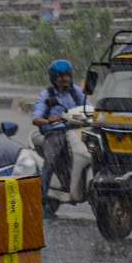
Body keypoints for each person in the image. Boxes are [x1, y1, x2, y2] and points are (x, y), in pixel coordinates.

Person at [33, 59, 83, 203]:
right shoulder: (46, 95)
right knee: (50, 163)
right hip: (55, 133)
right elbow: (36, 119)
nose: (65, 79)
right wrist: (49, 120)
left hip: (76, 131)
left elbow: (89, 109)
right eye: (60, 76)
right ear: (54, 78)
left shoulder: (77, 92)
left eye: (67, 75)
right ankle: (40, 198)